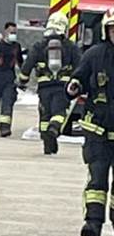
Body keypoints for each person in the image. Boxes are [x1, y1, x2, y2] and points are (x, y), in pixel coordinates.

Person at [67, 8, 114, 236]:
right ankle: (93, 224)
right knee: (97, 180)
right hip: (98, 131)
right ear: (107, 31)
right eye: (113, 29)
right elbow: (80, 77)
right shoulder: (94, 55)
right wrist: (74, 85)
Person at [18, 11, 81, 155]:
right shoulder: (71, 46)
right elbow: (80, 66)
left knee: (45, 114)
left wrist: (22, 81)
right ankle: (54, 129)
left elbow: (27, 65)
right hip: (63, 86)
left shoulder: (39, 46)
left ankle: (48, 145)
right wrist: (78, 83)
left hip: (44, 87)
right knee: (59, 113)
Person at [0, 21, 24, 137]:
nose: (13, 34)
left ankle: (4, 129)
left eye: (15, 32)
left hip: (9, 80)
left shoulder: (16, 46)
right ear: (5, 32)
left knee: (7, 104)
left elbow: (20, 62)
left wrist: (23, 77)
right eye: (11, 32)